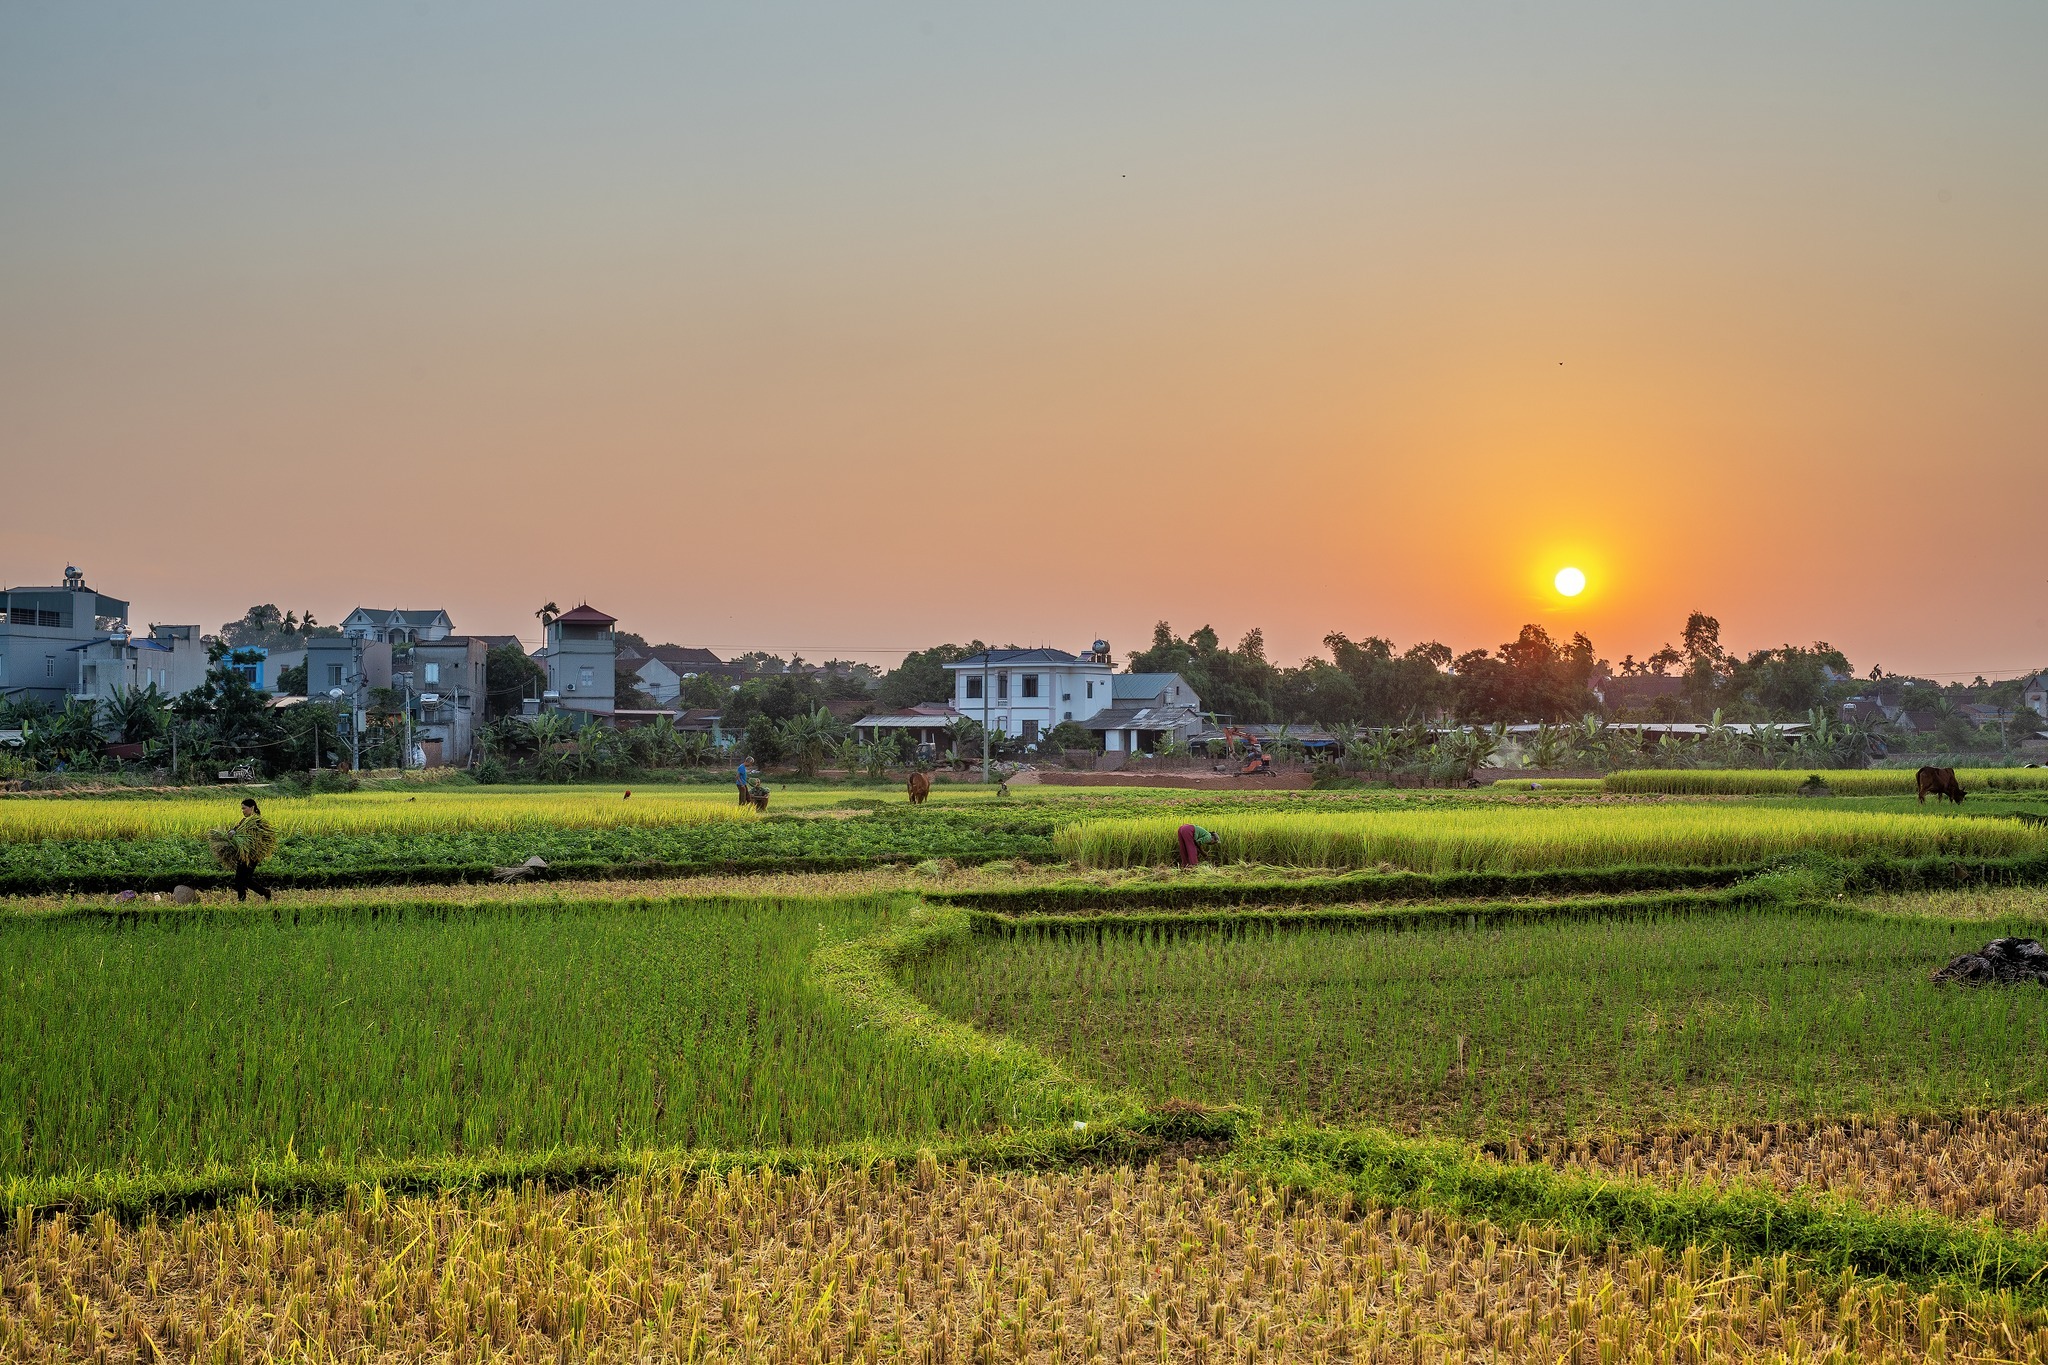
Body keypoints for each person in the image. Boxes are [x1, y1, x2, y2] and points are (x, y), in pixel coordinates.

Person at [208, 797, 277, 902]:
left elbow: (259, 839)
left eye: (244, 808)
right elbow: (236, 829)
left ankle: (258, 895)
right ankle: (254, 896)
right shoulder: (244, 821)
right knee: (241, 879)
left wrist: (247, 844)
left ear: (252, 807)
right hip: (242, 853)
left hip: (252, 855)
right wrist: (232, 832)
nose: (243, 811)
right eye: (242, 809)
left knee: (242, 879)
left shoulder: (258, 822)